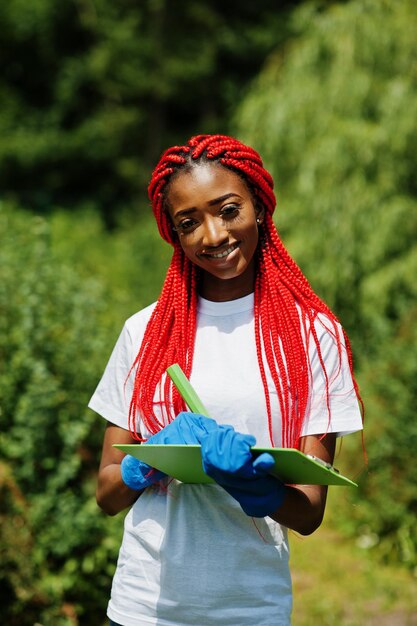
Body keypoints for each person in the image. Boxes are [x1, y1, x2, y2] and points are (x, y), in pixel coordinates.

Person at [89, 134, 363, 626]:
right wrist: (146, 463)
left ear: (258, 205)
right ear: (173, 234)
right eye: (188, 222)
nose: (212, 235)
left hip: (251, 610)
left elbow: (309, 514)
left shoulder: (314, 336)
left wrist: (254, 485)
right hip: (143, 607)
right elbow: (107, 494)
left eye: (228, 210)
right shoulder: (145, 332)